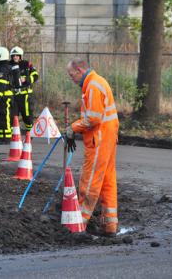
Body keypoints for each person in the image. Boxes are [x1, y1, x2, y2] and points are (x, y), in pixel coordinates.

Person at [65, 58, 119, 236]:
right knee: (107, 183)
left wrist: (73, 127)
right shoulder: (96, 82)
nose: (71, 79)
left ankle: (79, 223)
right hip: (107, 138)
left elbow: (93, 118)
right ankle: (109, 226)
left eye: (72, 75)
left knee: (89, 183)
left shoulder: (93, 86)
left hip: (100, 139)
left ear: (80, 70)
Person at [0, 47, 18, 144]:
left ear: (1, 56)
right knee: (1, 117)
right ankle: (2, 137)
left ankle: (7, 138)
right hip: (3, 97)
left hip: (5, 97)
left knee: (5, 117)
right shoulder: (1, 67)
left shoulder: (3, 69)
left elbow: (2, 86)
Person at [9, 46, 39, 132]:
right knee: (12, 116)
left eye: (17, 55)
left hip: (25, 96)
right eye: (13, 56)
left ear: (20, 56)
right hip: (13, 96)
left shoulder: (26, 64)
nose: (15, 57)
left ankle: (30, 133)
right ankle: (13, 135)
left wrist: (26, 79)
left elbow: (35, 75)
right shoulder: (9, 65)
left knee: (27, 116)